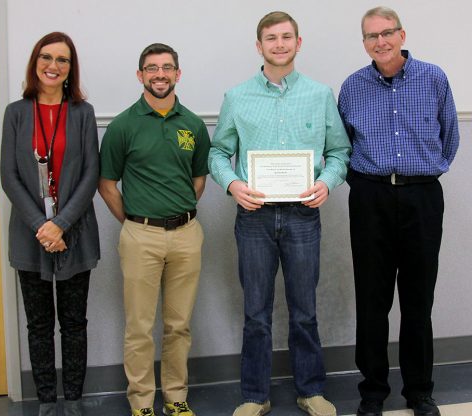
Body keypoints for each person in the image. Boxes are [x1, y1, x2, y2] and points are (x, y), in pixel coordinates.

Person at [209, 11, 351, 416]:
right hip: (253, 218)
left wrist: (327, 181)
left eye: (286, 37)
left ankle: (311, 390)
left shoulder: (320, 94)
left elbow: (339, 151)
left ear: (298, 43)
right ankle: (255, 395)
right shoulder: (237, 96)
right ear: (259, 46)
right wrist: (234, 185)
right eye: (271, 38)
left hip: (303, 217)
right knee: (256, 313)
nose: (279, 44)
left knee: (305, 310)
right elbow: (218, 152)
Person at [338, 6, 459, 416]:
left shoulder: (434, 78)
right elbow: (343, 145)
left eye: (387, 33)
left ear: (402, 35)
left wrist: (424, 174)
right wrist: (367, 185)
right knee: (372, 300)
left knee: (417, 299)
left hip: (421, 198)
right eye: (372, 36)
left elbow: (450, 137)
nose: (381, 42)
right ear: (364, 43)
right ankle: (372, 392)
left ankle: (419, 392)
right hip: (370, 199)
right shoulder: (352, 87)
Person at [98, 43, 210, 416]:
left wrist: (175, 215)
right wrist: (137, 221)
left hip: (186, 235)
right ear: (140, 75)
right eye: (151, 68)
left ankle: (176, 397)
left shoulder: (192, 124)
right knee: (140, 327)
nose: (159, 74)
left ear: (178, 73)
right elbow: (107, 184)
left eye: (166, 67)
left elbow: (197, 178)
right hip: (139, 236)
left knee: (179, 326)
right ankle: (142, 402)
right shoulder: (123, 125)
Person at [0, 32, 100, 416]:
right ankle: (45, 401)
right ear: (35, 62)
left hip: (73, 232)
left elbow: (91, 172)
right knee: (39, 325)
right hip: (31, 235)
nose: (53, 66)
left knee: (74, 322)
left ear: (71, 68)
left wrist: (61, 224)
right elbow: (9, 176)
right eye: (46, 57)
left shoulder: (83, 113)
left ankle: (73, 399)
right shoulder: (16, 112)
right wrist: (43, 226)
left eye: (62, 60)